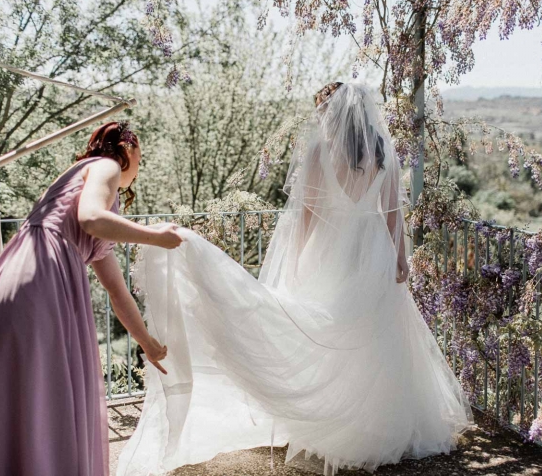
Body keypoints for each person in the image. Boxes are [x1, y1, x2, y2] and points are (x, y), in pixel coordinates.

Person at [118, 83, 472, 476]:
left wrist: (298, 255)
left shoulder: (322, 150)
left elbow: (307, 212)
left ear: (333, 114)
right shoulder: (383, 150)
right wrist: (400, 258)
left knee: (327, 331)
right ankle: (379, 425)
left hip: (332, 246)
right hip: (373, 248)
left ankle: (334, 421)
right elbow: (392, 212)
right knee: (375, 334)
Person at [0, 121, 183, 476]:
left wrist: (148, 344)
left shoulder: (77, 177)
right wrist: (154, 236)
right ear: (127, 151)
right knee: (47, 396)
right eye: (140, 154)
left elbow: (115, 289)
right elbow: (92, 218)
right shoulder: (106, 166)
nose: (140, 164)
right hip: (41, 275)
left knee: (19, 393)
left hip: (13, 274)